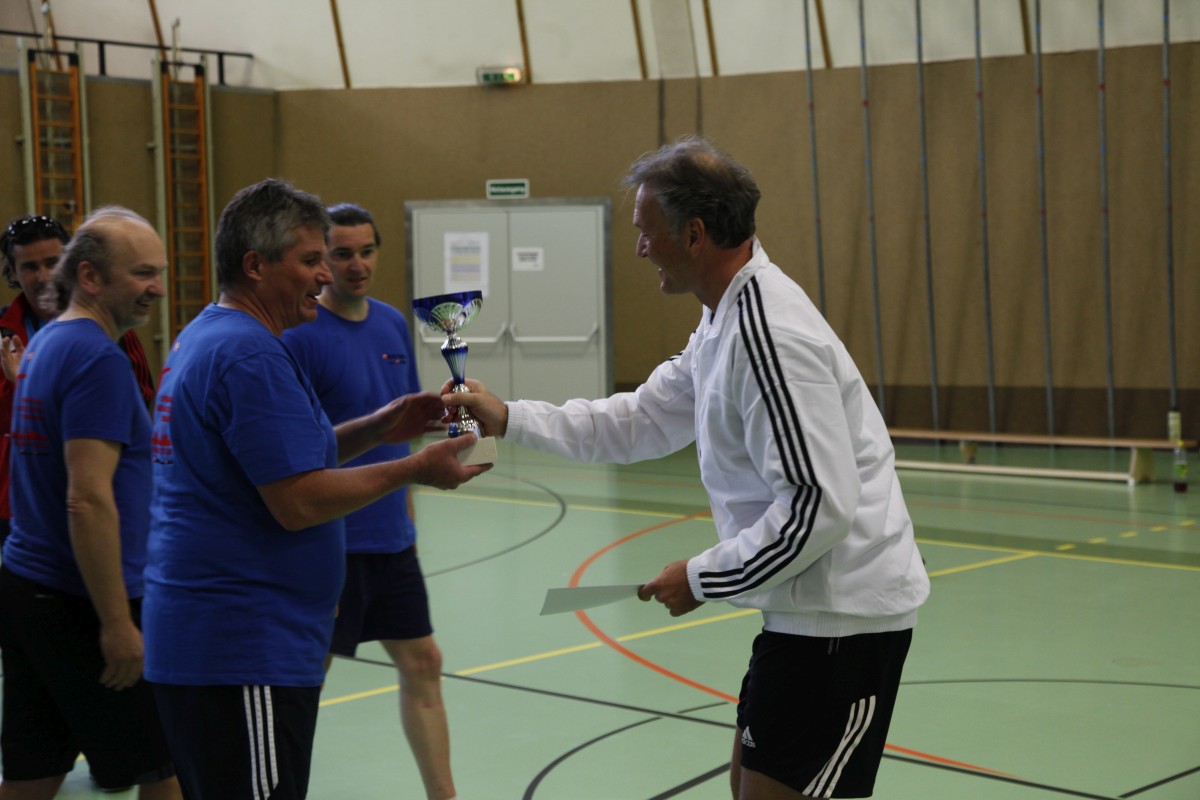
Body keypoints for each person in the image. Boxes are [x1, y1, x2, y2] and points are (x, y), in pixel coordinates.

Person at [446, 136, 930, 800]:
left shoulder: (770, 336)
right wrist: (509, 417)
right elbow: (642, 418)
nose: (640, 248)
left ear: (695, 235)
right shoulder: (722, 321)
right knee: (744, 784)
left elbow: (818, 507)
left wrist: (702, 577)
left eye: (647, 232)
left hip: (842, 624)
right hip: (800, 615)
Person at [142, 179, 490, 800]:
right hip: (242, 648)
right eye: (310, 260)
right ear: (256, 265)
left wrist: (379, 427)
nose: (326, 275)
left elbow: (278, 457)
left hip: (224, 643)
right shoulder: (249, 355)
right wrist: (414, 468)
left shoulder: (215, 336)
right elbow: (298, 500)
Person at [0, 207, 180, 799]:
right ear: (91, 277)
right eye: (142, 273)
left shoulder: (47, 343)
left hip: (28, 590)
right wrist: (117, 623)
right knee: (168, 770)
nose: (157, 288)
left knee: (32, 776)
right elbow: (87, 500)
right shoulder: (98, 360)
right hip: (81, 603)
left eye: (159, 272)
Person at [282, 203, 458, 799]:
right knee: (308, 678)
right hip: (333, 540)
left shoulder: (389, 323)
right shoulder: (301, 335)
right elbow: (302, 446)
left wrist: (408, 517)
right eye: (341, 254)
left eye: (366, 251)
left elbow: (401, 429)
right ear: (322, 260)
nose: (356, 265)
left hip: (391, 541)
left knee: (423, 661)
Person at [0, 214, 156, 545]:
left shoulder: (110, 329)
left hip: (102, 492)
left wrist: (29, 385)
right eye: (29, 267)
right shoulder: (3, 334)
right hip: (19, 505)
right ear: (12, 272)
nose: (43, 277)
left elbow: (137, 405)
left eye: (52, 263)